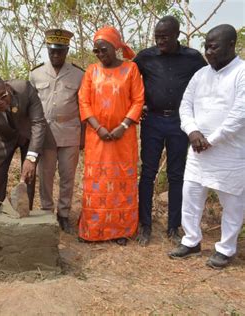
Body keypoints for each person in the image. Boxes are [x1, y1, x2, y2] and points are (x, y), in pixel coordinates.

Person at [169, 24, 244, 269]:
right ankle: (191, 240)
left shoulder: (241, 73)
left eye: (213, 47)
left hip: (229, 153)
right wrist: (192, 131)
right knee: (190, 195)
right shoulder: (201, 75)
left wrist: (211, 139)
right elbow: (185, 106)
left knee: (232, 202)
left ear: (231, 45)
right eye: (206, 47)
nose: (208, 52)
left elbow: (239, 115)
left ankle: (226, 248)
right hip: (198, 150)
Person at [135, 16, 207, 246]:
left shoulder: (193, 58)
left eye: (164, 36)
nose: (159, 41)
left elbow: (207, 83)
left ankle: (173, 227)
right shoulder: (145, 57)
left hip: (180, 122)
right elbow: (129, 80)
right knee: (148, 173)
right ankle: (145, 225)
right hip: (152, 121)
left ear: (177, 35)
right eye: (157, 36)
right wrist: (139, 105)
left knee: (177, 175)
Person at [77, 26, 144, 245]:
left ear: (115, 47)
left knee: (121, 182)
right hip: (97, 138)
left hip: (123, 138)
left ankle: (121, 230)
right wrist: (99, 128)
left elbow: (138, 100)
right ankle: (94, 230)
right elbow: (84, 101)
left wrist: (123, 126)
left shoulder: (131, 69)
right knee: (97, 182)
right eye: (96, 50)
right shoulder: (91, 72)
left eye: (103, 49)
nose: (99, 54)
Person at [29, 29, 84, 233]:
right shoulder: (36, 74)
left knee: (68, 176)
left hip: (70, 132)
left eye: (60, 52)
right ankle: (46, 213)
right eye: (52, 52)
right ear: (47, 50)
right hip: (46, 133)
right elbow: (31, 107)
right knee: (46, 175)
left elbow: (84, 107)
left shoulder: (79, 75)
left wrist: (83, 137)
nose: (55, 56)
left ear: (67, 50)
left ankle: (63, 215)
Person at [0, 75, 55, 209]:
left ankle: (25, 213)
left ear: (7, 87)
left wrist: (31, 157)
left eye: (3, 96)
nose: (0, 103)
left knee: (28, 175)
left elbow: (38, 123)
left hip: (29, 135)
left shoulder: (24, 89)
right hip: (3, 139)